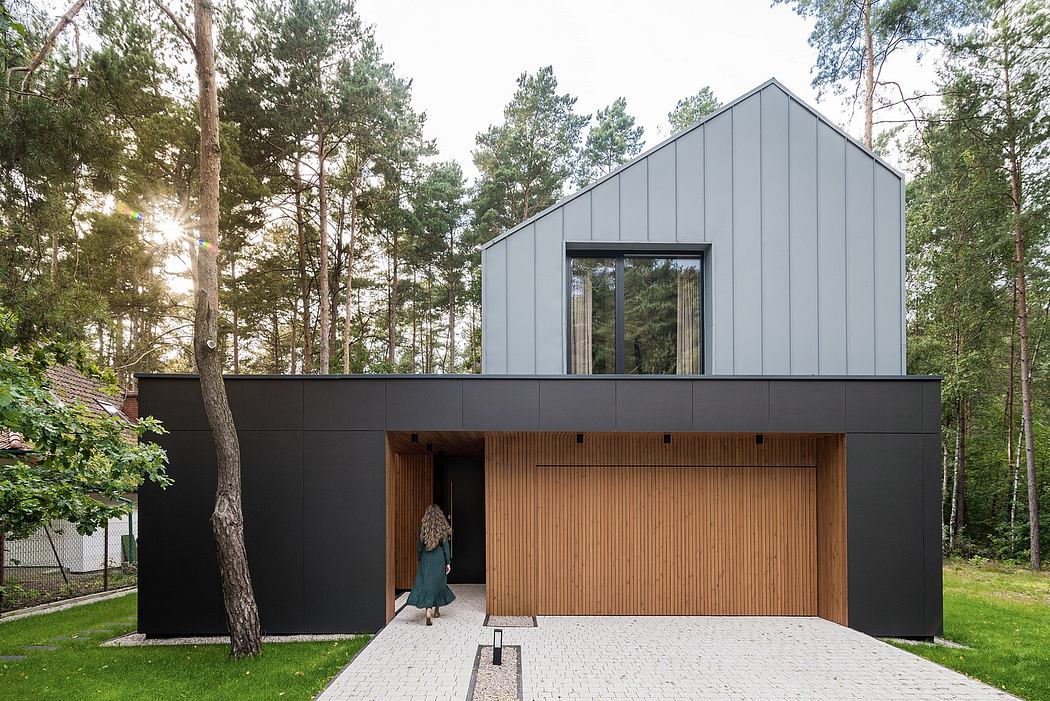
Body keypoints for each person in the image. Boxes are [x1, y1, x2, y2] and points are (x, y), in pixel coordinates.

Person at [406, 503, 456, 625]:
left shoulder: (424, 528)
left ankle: (428, 611)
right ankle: (437, 611)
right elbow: (445, 547)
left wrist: (421, 558)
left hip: (426, 558)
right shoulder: (441, 528)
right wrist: (448, 562)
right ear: (440, 516)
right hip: (439, 559)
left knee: (426, 584)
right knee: (438, 584)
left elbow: (419, 546)